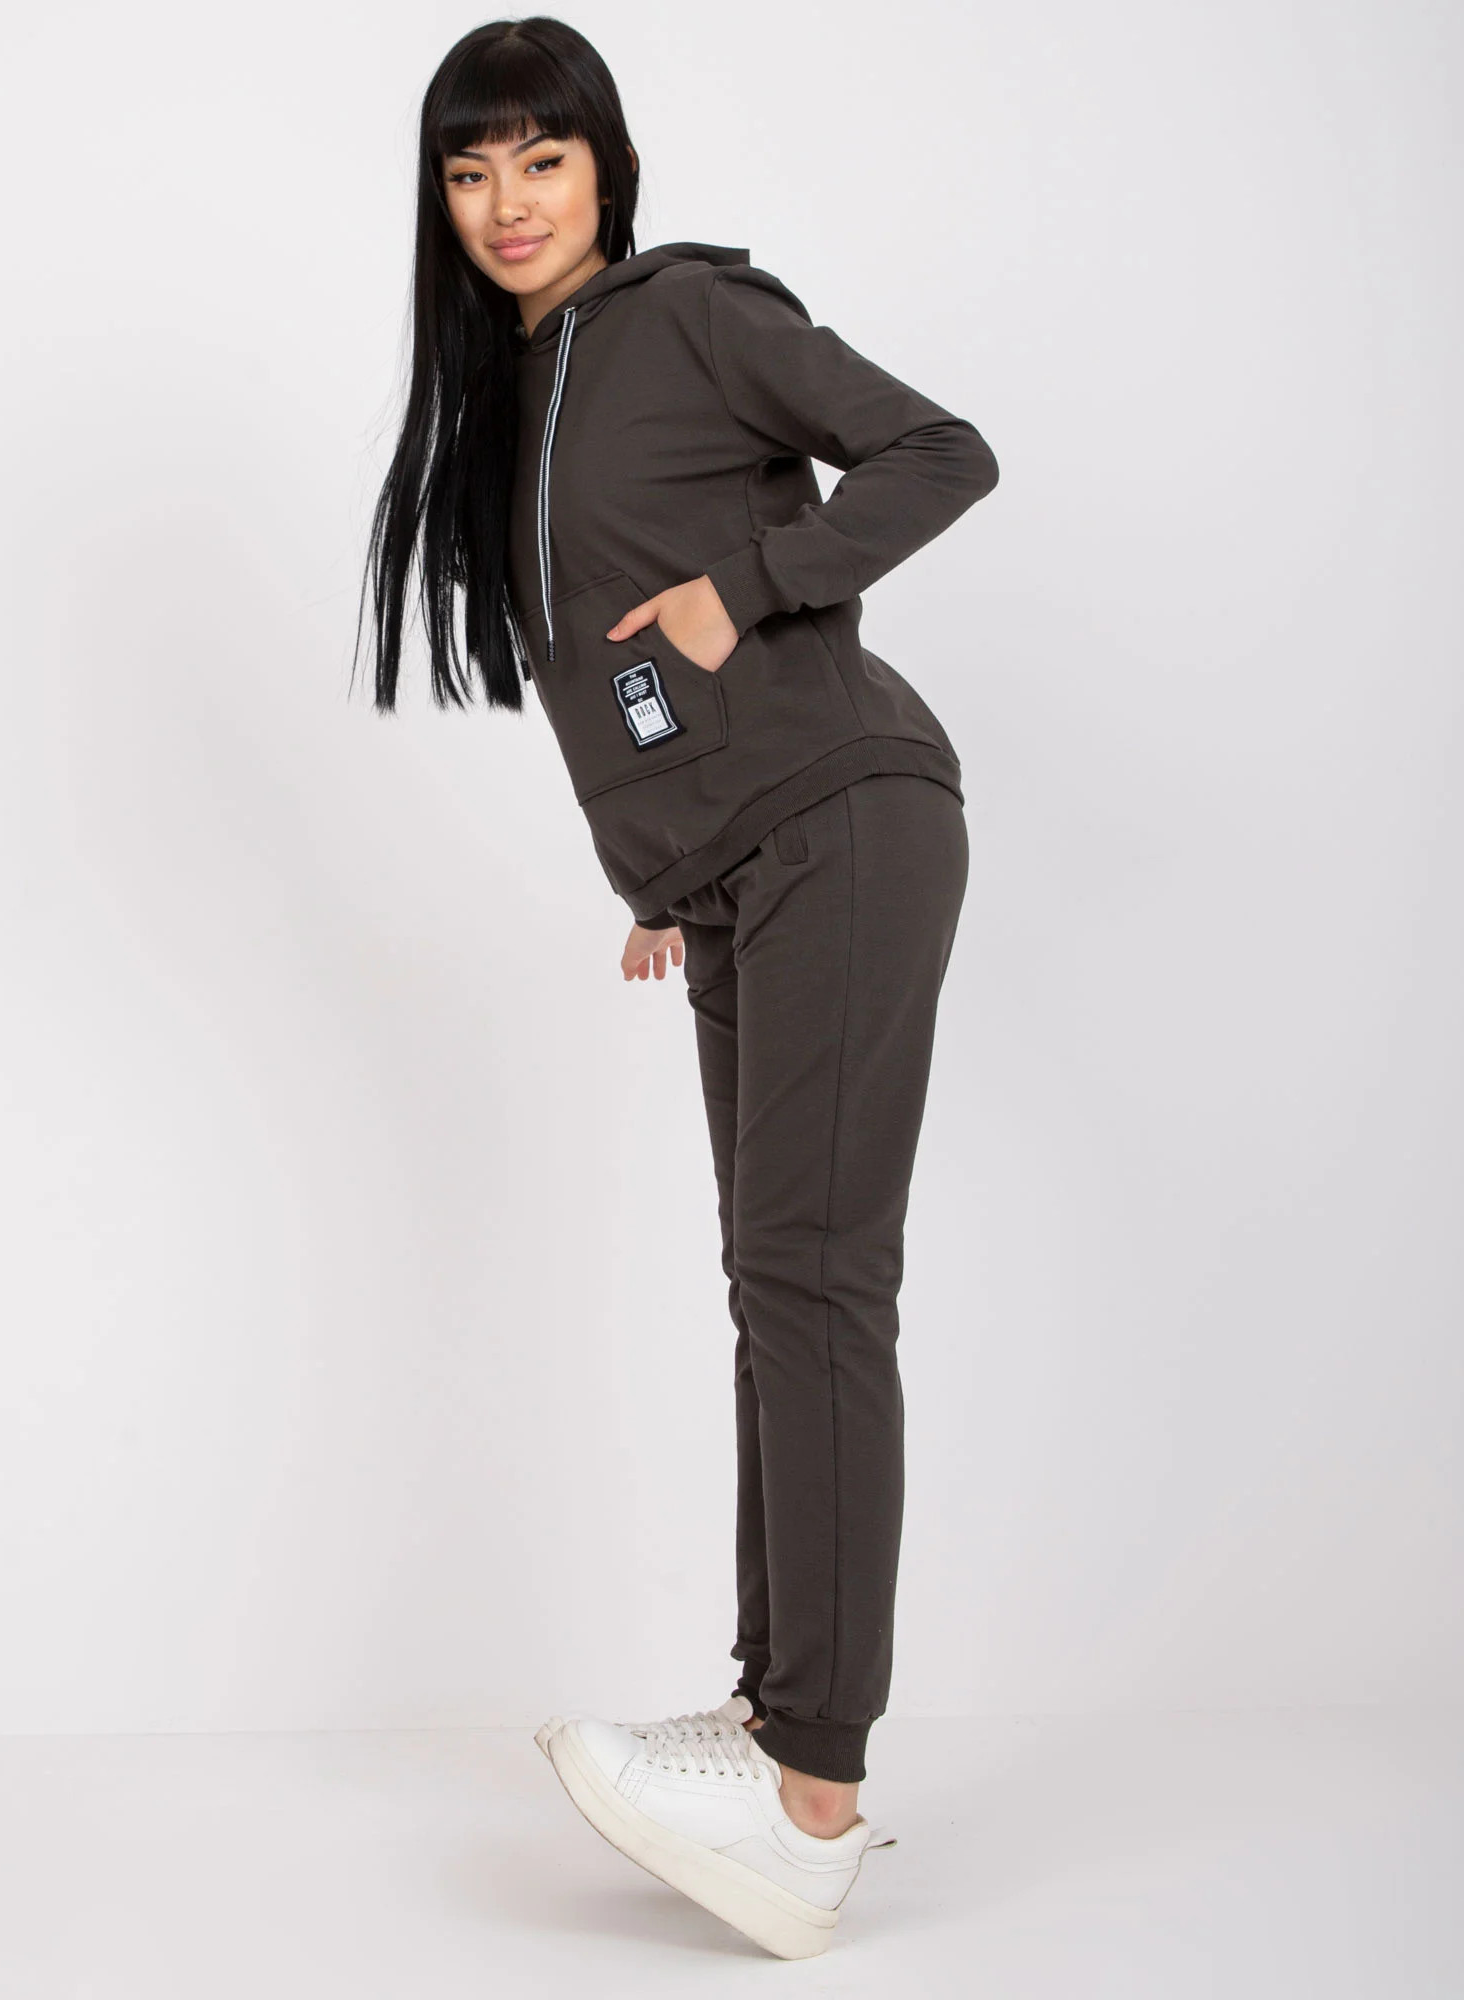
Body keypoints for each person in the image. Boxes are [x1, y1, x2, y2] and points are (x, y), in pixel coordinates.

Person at [358, 16, 999, 1961]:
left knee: (817, 1282)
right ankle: (775, 1713)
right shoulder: (515, 399)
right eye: (471, 170)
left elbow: (939, 451)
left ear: (606, 171)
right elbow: (610, 673)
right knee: (771, 1291)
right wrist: (664, 864)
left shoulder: (694, 317)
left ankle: (815, 1799)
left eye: (541, 159)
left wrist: (758, 585)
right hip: (739, 874)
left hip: (849, 819)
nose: (508, 202)